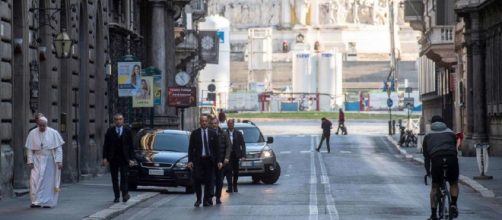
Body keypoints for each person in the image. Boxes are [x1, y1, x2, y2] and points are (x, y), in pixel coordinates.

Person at [423, 115, 459, 220]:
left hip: (437, 160)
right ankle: (453, 203)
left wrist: (428, 171)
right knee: (454, 182)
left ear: (432, 124)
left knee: (435, 187)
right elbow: (455, 149)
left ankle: (434, 215)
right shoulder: (451, 133)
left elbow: (426, 157)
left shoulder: (427, 136)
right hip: (451, 158)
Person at [25, 116, 64, 208]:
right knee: (34, 180)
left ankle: (47, 202)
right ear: (37, 124)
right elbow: (30, 149)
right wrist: (30, 161)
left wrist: (59, 161)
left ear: (46, 125)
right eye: (40, 125)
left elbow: (58, 149)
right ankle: (35, 201)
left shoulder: (53, 133)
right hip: (37, 159)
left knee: (48, 181)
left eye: (44, 126)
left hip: (49, 159)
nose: (42, 127)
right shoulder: (32, 133)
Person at [188, 115, 222, 207]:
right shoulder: (195, 133)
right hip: (198, 160)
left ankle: (205, 199)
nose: (204, 123)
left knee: (208, 181)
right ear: (200, 122)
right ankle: (198, 199)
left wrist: (219, 161)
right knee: (197, 179)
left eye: (206, 121)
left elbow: (217, 149)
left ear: (208, 122)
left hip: (209, 160)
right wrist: (190, 161)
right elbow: (191, 148)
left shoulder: (213, 133)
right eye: (202, 121)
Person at [102, 113, 135, 203]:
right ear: (114, 121)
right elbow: (106, 145)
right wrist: (105, 157)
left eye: (120, 119)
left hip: (124, 158)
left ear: (123, 120)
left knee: (124, 177)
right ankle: (116, 196)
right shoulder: (110, 131)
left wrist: (132, 159)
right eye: (116, 119)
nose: (118, 121)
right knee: (114, 178)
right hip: (113, 158)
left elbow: (131, 146)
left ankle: (125, 195)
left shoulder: (127, 131)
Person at [209, 118, 232, 204]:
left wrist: (226, 158)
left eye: (215, 123)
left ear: (218, 123)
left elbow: (228, 146)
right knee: (210, 180)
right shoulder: (208, 133)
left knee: (219, 180)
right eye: (212, 123)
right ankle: (210, 197)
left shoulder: (223, 133)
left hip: (221, 161)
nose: (213, 125)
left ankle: (218, 197)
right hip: (211, 161)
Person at [225, 119, 246, 193]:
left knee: (236, 171)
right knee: (228, 171)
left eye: (232, 124)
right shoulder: (225, 133)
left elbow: (242, 144)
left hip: (236, 155)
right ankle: (230, 187)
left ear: (233, 124)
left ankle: (235, 185)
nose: (230, 125)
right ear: (227, 125)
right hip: (228, 155)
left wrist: (243, 155)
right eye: (229, 124)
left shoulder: (238, 133)